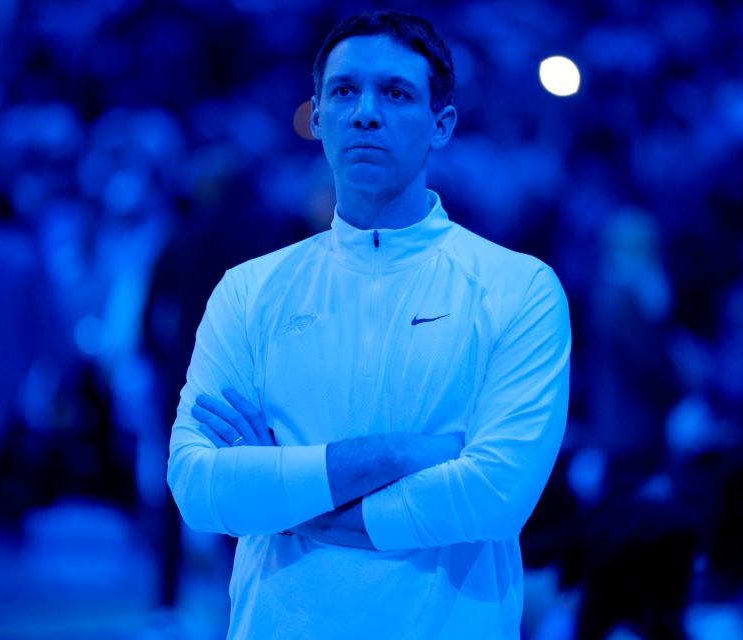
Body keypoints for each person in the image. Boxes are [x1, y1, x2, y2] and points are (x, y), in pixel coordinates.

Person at [166, 10, 571, 639]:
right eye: (345, 91)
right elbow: (198, 485)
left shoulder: (518, 288)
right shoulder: (250, 289)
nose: (366, 112)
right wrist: (395, 453)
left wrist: (284, 496)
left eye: (396, 93)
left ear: (442, 125)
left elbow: (494, 496)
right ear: (319, 116)